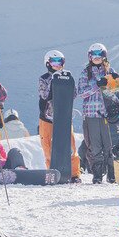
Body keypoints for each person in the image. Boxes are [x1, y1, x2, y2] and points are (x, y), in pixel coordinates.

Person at [77, 43, 119, 184]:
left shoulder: (110, 71)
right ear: (90, 57)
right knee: (95, 145)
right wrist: (96, 85)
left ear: (104, 56)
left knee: (109, 145)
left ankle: (112, 174)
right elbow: (81, 93)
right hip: (91, 114)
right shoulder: (86, 72)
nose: (97, 58)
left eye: (100, 55)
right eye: (94, 55)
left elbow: (116, 92)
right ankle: (97, 174)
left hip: (107, 113)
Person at [37, 50, 81, 180]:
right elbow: (44, 95)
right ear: (48, 63)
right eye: (54, 62)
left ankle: (74, 174)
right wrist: (54, 82)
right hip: (47, 117)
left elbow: (73, 94)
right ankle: (52, 172)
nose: (57, 64)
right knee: (48, 147)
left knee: (71, 146)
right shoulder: (44, 78)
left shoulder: (67, 77)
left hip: (64, 117)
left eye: (60, 62)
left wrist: (65, 81)